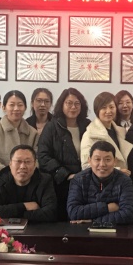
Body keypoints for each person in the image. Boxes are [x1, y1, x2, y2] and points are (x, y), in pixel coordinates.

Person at [37, 88, 90, 221]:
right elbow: (43, 156)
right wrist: (65, 174)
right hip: (61, 184)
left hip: (86, 183)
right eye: (69, 103)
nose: (73, 107)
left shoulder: (88, 126)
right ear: (62, 105)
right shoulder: (52, 127)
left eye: (77, 103)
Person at [67, 140, 133, 225]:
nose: (102, 164)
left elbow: (128, 214)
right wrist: (108, 207)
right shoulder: (79, 179)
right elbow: (73, 212)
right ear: (89, 161)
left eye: (107, 159)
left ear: (115, 161)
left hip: (116, 230)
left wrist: (93, 221)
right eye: (97, 159)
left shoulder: (124, 180)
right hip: (83, 230)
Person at [0, 145, 57, 222]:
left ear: (35, 164)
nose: (22, 166)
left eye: (27, 162)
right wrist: (24, 206)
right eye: (18, 161)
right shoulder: (0, 181)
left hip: (36, 228)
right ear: (10, 164)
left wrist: (12, 215)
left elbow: (50, 213)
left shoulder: (44, 180)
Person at [0, 90, 39, 177]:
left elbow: (37, 159)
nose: (16, 108)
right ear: (4, 107)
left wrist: (24, 173)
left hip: (26, 180)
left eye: (20, 105)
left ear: (25, 108)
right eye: (12, 105)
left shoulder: (33, 133)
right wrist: (5, 173)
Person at [80, 92, 133, 172]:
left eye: (111, 107)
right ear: (97, 110)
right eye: (104, 108)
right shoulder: (90, 134)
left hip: (122, 178)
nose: (108, 111)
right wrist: (118, 171)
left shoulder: (120, 131)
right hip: (105, 179)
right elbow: (86, 166)